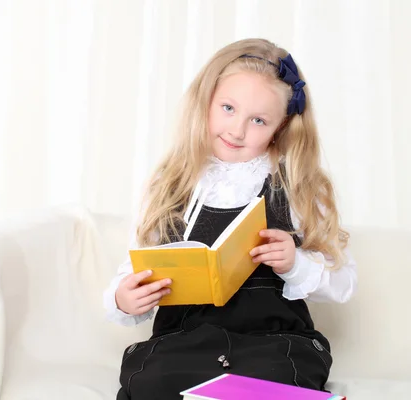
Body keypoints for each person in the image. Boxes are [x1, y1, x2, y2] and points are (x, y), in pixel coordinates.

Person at [103, 38, 357, 400]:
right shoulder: (169, 186)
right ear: (204, 102)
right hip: (184, 345)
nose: (237, 130)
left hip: (272, 344)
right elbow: (129, 276)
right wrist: (124, 299)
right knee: (154, 379)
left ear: (281, 127)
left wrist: (295, 265)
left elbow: (345, 282)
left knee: (278, 374)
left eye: (258, 120)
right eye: (227, 108)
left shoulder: (300, 187)